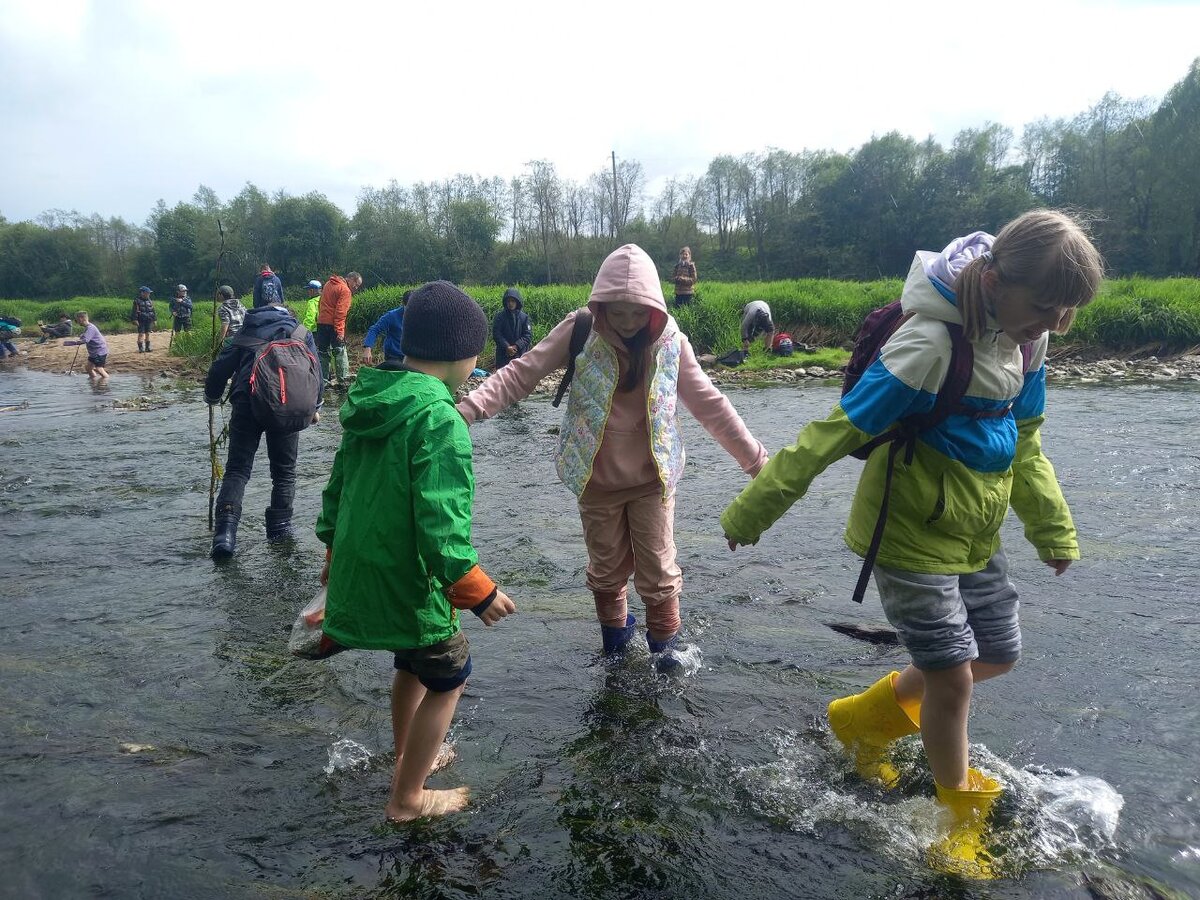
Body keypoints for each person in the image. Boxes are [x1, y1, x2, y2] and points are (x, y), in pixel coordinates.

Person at [719, 210, 1104, 879]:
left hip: (974, 530)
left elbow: (1028, 443)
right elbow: (833, 432)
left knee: (998, 654)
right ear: (993, 277)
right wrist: (755, 508)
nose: (1051, 326)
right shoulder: (927, 344)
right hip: (905, 532)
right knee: (952, 676)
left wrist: (1051, 527)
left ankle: (865, 719)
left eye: (1064, 313)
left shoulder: (1026, 344)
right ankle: (959, 821)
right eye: (1042, 308)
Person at [458, 244, 767, 670]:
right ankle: (616, 650)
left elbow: (709, 404)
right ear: (600, 305)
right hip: (595, 477)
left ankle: (666, 654)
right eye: (616, 312)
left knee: (659, 574)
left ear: (654, 308)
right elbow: (521, 374)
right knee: (605, 574)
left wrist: (757, 463)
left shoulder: (672, 342)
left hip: (651, 479)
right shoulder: (581, 329)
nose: (626, 323)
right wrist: (465, 413)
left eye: (637, 312)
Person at [317, 280, 517, 822]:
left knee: (410, 662)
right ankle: (408, 797)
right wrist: (475, 587)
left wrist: (332, 551)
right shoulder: (440, 419)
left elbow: (337, 487)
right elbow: (440, 522)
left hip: (366, 567)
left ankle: (409, 756)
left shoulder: (370, 402)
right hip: (410, 580)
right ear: (461, 354)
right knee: (451, 673)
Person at [204, 293, 321, 557]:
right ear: (287, 311)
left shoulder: (247, 330)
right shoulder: (301, 332)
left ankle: (225, 536)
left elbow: (220, 369)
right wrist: (316, 407)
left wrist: (211, 396)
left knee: (237, 470)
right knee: (284, 473)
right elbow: (317, 373)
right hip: (287, 405)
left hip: (247, 403)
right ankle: (280, 535)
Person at [316, 271, 363, 388]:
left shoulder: (328, 284)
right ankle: (343, 381)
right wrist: (340, 332)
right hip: (333, 325)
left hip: (321, 323)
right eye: (356, 284)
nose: (355, 288)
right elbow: (340, 313)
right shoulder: (345, 290)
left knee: (322, 353)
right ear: (350, 279)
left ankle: (323, 382)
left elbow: (320, 303)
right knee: (340, 351)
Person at [363, 290, 410, 366]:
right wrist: (367, 348)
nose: (411, 311)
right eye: (408, 308)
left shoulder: (419, 315)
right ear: (403, 304)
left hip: (411, 357)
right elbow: (374, 330)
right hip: (394, 356)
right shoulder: (391, 316)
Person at [490, 287, 532, 369]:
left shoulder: (524, 317)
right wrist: (507, 347)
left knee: (520, 377)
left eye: (513, 301)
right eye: (508, 301)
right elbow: (496, 334)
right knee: (503, 378)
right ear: (505, 302)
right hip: (503, 354)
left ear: (517, 302)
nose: (510, 303)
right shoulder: (499, 317)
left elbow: (527, 335)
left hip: (520, 353)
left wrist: (516, 346)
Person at [64, 311, 110, 379]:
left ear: (81, 318)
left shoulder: (90, 328)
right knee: (88, 368)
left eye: (77, 320)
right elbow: (86, 337)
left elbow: (85, 340)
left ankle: (105, 382)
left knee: (99, 369)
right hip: (94, 353)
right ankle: (93, 381)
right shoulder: (88, 328)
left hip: (99, 352)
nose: (77, 322)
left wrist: (70, 343)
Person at [131, 286, 156, 353]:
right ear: (142, 293)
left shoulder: (150, 301)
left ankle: (147, 347)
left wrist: (154, 319)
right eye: (147, 293)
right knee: (141, 334)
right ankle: (141, 348)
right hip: (141, 320)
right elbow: (134, 311)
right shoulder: (137, 301)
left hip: (149, 319)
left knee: (148, 333)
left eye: (149, 293)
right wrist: (135, 319)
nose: (148, 294)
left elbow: (153, 311)